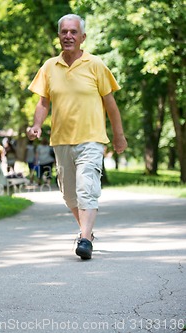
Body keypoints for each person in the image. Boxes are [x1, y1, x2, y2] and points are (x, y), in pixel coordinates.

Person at [26, 14, 127, 260]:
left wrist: (118, 137)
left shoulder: (96, 65)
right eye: (64, 32)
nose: (68, 36)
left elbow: (111, 105)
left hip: (91, 139)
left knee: (87, 189)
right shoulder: (49, 66)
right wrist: (37, 125)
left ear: (82, 37)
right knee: (69, 194)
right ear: (59, 36)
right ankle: (87, 232)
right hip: (61, 140)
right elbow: (42, 102)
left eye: (73, 32)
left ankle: (84, 239)